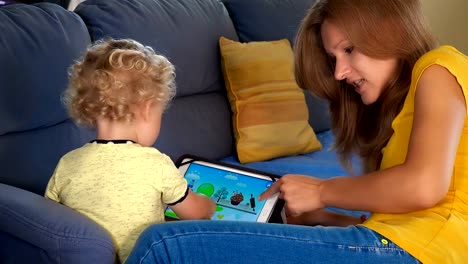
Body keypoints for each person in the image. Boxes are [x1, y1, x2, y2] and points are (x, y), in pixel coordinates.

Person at [125, 0, 468, 263]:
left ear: (391, 29)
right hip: (407, 245)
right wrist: (321, 217)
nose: (339, 73)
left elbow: (424, 187)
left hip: (426, 249)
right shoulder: (401, 116)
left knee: (162, 244)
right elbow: (391, 218)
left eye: (348, 49)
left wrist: (322, 190)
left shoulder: (438, 67)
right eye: (334, 59)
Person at [44, 38, 216, 263]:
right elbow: (195, 213)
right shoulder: (155, 163)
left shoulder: (67, 163)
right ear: (147, 109)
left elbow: (51, 222)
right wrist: (208, 203)